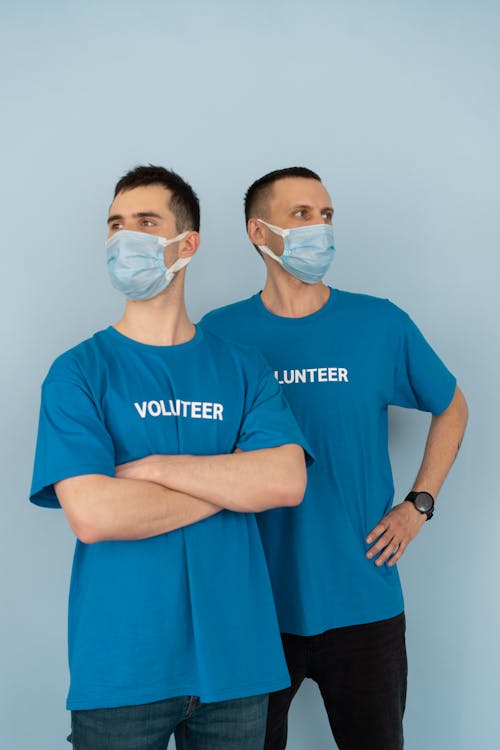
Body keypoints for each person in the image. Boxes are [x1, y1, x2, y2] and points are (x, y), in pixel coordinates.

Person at [30, 165, 311, 750]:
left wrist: (154, 469)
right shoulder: (78, 372)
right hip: (122, 666)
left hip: (237, 661)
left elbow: (285, 482)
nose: (123, 238)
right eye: (115, 225)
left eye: (145, 223)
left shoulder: (243, 367)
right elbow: (95, 516)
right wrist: (232, 481)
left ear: (187, 245)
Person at [199, 166, 469, 750]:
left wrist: (418, 504)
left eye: (326, 216)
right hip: (253, 605)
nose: (319, 229)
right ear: (258, 231)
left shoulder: (379, 323)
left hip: (363, 597)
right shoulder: (218, 336)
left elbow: (452, 405)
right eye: (302, 215)